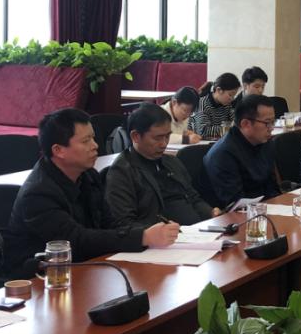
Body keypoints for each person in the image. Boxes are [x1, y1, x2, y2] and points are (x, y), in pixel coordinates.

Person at [0, 108, 151, 278]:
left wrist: (147, 232)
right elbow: (76, 241)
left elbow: (110, 223)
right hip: (40, 278)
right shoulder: (37, 194)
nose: (95, 145)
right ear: (58, 150)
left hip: (84, 267)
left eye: (93, 138)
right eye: (86, 141)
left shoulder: (87, 175)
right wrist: (141, 237)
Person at [104, 103, 219, 235]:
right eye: (157, 138)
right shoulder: (122, 172)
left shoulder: (172, 162)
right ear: (136, 136)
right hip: (161, 240)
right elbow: (124, 223)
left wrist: (210, 212)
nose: (164, 144)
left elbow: (193, 198)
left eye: (167, 136)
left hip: (196, 233)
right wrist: (154, 233)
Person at [199, 94, 280, 208]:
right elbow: (234, 204)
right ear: (245, 124)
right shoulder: (223, 154)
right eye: (267, 123)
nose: (271, 128)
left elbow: (272, 187)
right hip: (231, 215)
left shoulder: (265, 142)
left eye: (273, 121)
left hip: (264, 208)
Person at [189, 73, 240, 138]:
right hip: (200, 142)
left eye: (234, 95)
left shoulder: (227, 105)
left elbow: (236, 123)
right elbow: (202, 131)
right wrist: (227, 128)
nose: (232, 99)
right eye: (230, 95)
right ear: (219, 90)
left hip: (219, 141)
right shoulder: (203, 104)